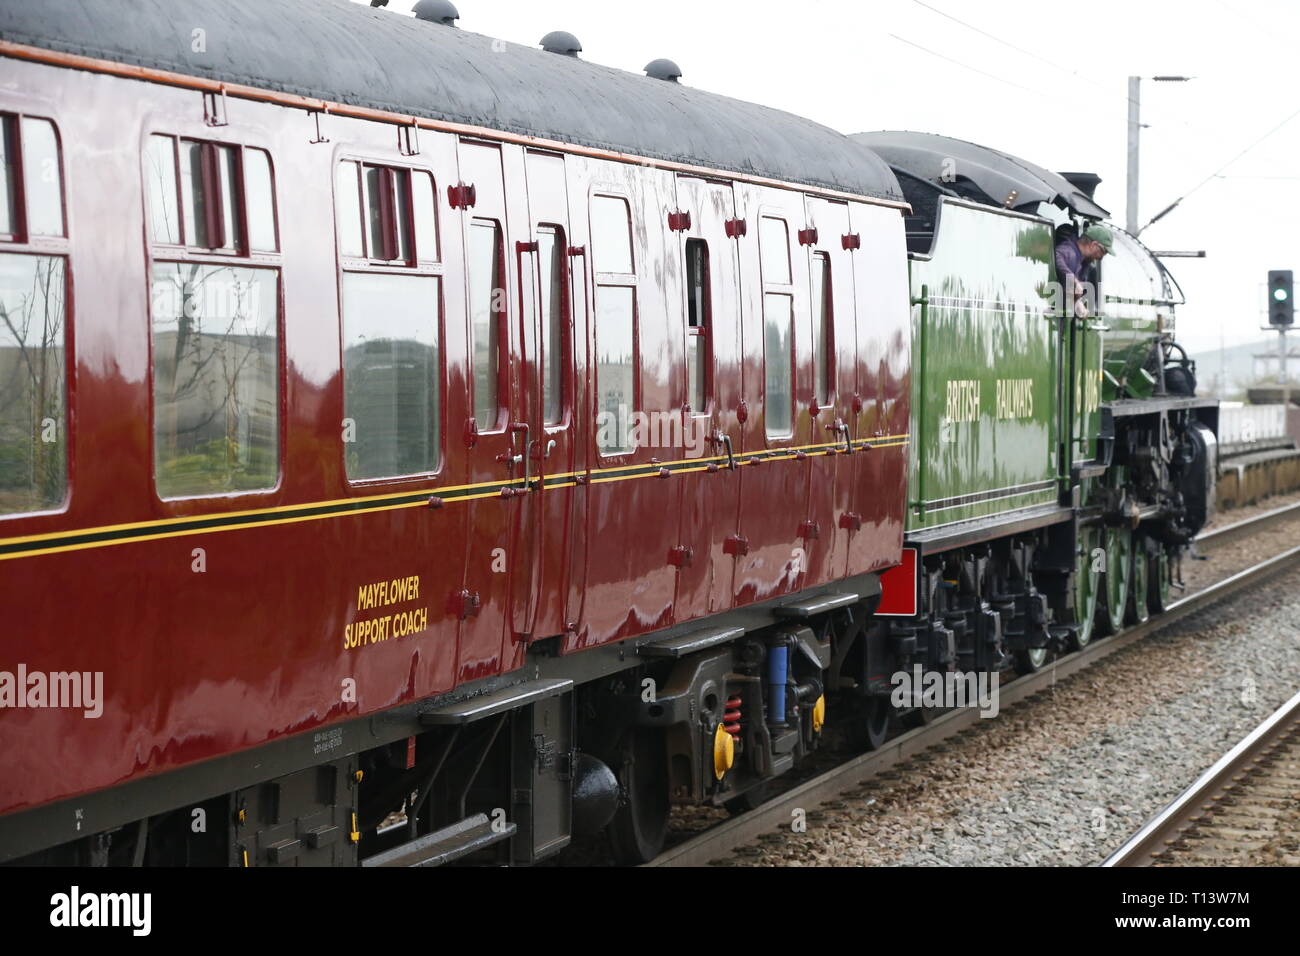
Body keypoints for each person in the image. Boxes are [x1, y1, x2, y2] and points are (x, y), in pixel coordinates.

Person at [1055, 225, 1113, 317]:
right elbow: (1056, 256)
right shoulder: (1070, 253)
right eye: (1103, 252)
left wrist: (1077, 303)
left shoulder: (1081, 262)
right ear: (1094, 245)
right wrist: (1074, 281)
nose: (1100, 258)